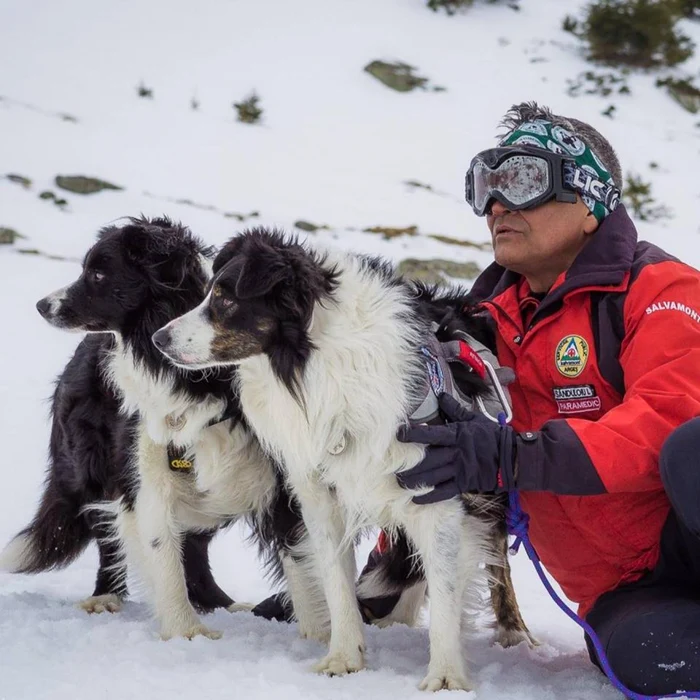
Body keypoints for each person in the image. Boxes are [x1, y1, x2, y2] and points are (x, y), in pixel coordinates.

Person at [397, 101, 700, 695]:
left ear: (590, 203)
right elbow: (441, 451)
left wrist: (517, 454)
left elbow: (669, 418)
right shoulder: (482, 328)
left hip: (689, 533)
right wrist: (381, 571)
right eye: (486, 183)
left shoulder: (660, 289)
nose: (497, 205)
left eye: (525, 180)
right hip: (628, 588)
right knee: (643, 659)